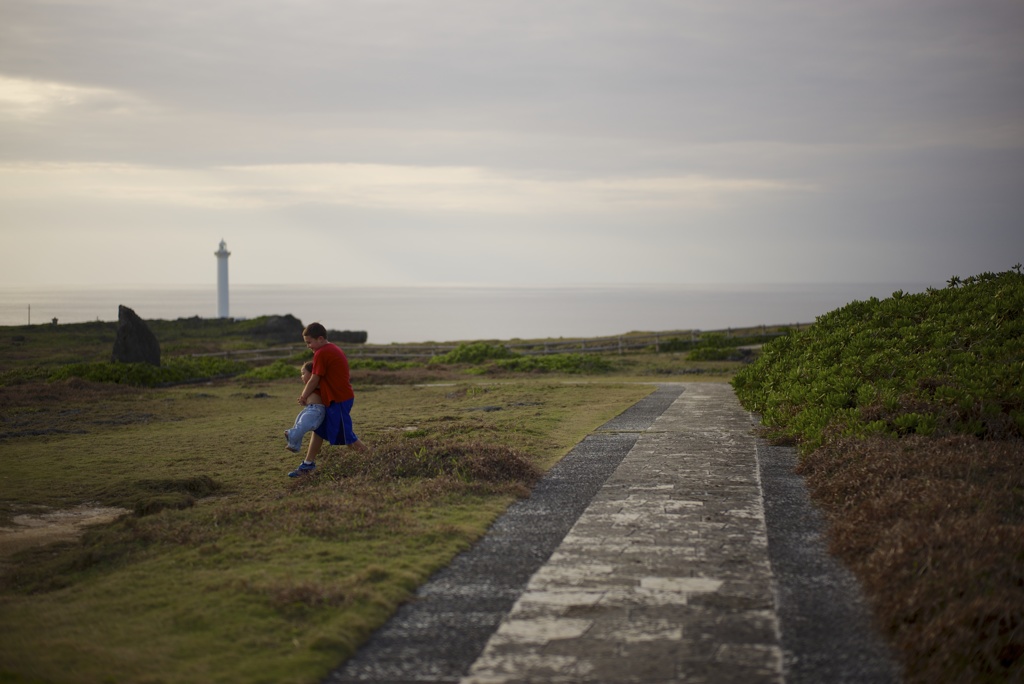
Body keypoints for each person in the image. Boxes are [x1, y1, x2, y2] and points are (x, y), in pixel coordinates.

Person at [288, 322, 370, 477]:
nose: (308, 346)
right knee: (319, 430)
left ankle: (373, 459)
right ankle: (308, 465)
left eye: (309, 342)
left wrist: (304, 396)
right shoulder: (329, 349)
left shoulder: (322, 352)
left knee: (347, 437)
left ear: (320, 339)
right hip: (335, 399)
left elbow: (314, 379)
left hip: (339, 399)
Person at [283, 361, 326, 454]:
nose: (301, 376)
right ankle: (294, 445)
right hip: (309, 408)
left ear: (313, 373)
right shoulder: (309, 386)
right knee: (298, 423)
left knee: (303, 424)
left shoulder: (317, 382)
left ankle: (291, 434)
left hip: (316, 409)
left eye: (303, 373)